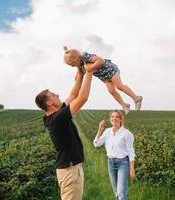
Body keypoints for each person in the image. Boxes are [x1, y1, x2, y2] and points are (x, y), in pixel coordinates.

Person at [35, 66, 94, 200]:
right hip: (70, 171)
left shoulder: (53, 115)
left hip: (71, 169)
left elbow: (73, 95)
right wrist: (90, 71)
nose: (57, 94)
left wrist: (80, 72)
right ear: (49, 102)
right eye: (53, 95)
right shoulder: (57, 119)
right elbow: (82, 97)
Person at [63, 46, 143, 116]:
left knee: (119, 86)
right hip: (105, 76)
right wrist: (76, 79)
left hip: (110, 69)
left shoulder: (85, 57)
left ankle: (136, 98)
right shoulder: (80, 66)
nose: (72, 66)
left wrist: (91, 67)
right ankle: (125, 105)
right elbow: (79, 75)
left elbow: (100, 60)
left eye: (71, 64)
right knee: (111, 91)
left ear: (76, 60)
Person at [93, 110, 136, 200]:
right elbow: (96, 144)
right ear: (110, 119)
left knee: (121, 193)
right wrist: (100, 129)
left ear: (121, 119)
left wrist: (132, 169)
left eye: (117, 117)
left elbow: (131, 152)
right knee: (116, 193)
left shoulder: (126, 133)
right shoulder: (107, 132)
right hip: (111, 163)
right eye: (112, 117)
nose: (114, 118)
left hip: (123, 163)